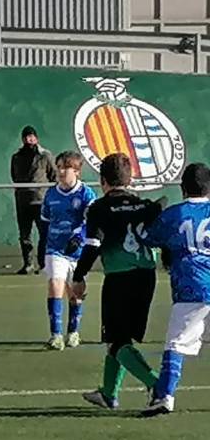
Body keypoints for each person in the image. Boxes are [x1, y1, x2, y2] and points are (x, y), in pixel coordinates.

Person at [71, 153, 166, 410]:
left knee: (117, 341)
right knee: (120, 338)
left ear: (102, 181)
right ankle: (108, 393)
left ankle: (158, 386)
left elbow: (93, 245)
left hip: (119, 278)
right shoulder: (144, 205)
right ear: (130, 179)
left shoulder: (99, 208)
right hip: (147, 277)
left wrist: (78, 276)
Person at [140, 163, 210, 416]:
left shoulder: (174, 214)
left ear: (183, 188)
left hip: (191, 286)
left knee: (177, 344)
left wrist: (151, 212)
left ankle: (164, 396)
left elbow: (147, 237)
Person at [40, 151, 97, 350]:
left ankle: (73, 332)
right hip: (55, 248)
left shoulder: (86, 194)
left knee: (76, 293)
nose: (61, 171)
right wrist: (42, 246)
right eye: (59, 167)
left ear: (77, 171)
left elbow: (92, 221)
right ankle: (56, 335)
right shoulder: (51, 194)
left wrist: (79, 237)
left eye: (66, 168)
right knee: (55, 284)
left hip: (78, 252)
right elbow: (45, 221)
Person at [11, 126, 57, 274]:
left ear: (36, 138)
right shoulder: (16, 157)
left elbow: (54, 176)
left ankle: (43, 264)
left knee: (44, 234)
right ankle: (28, 264)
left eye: (31, 136)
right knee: (24, 235)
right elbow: (14, 176)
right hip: (22, 201)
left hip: (40, 201)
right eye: (25, 137)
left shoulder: (45, 155)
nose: (28, 139)